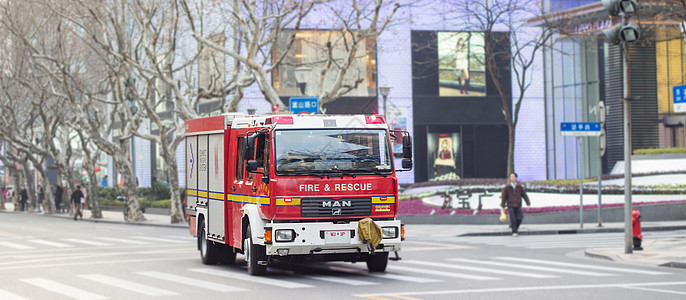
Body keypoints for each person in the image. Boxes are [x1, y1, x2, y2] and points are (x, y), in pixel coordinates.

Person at [500, 173, 530, 237]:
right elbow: (504, 197)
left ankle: (515, 228)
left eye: (513, 176)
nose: (512, 178)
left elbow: (524, 195)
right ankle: (514, 231)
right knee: (513, 219)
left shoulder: (519, 186)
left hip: (518, 205)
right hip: (510, 205)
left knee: (520, 218)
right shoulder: (507, 187)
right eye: (511, 177)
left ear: (516, 178)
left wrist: (528, 204)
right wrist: (503, 206)